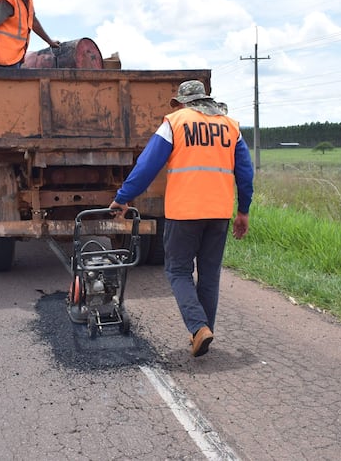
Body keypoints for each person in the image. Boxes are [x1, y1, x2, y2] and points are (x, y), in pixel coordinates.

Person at [109, 80, 254, 357]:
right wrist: (243, 211)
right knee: (209, 275)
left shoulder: (175, 123)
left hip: (184, 213)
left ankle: (199, 328)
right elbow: (245, 174)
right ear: (206, 100)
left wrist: (124, 197)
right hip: (219, 214)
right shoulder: (231, 126)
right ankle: (202, 333)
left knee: (177, 271)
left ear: (183, 103)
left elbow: (147, 165)